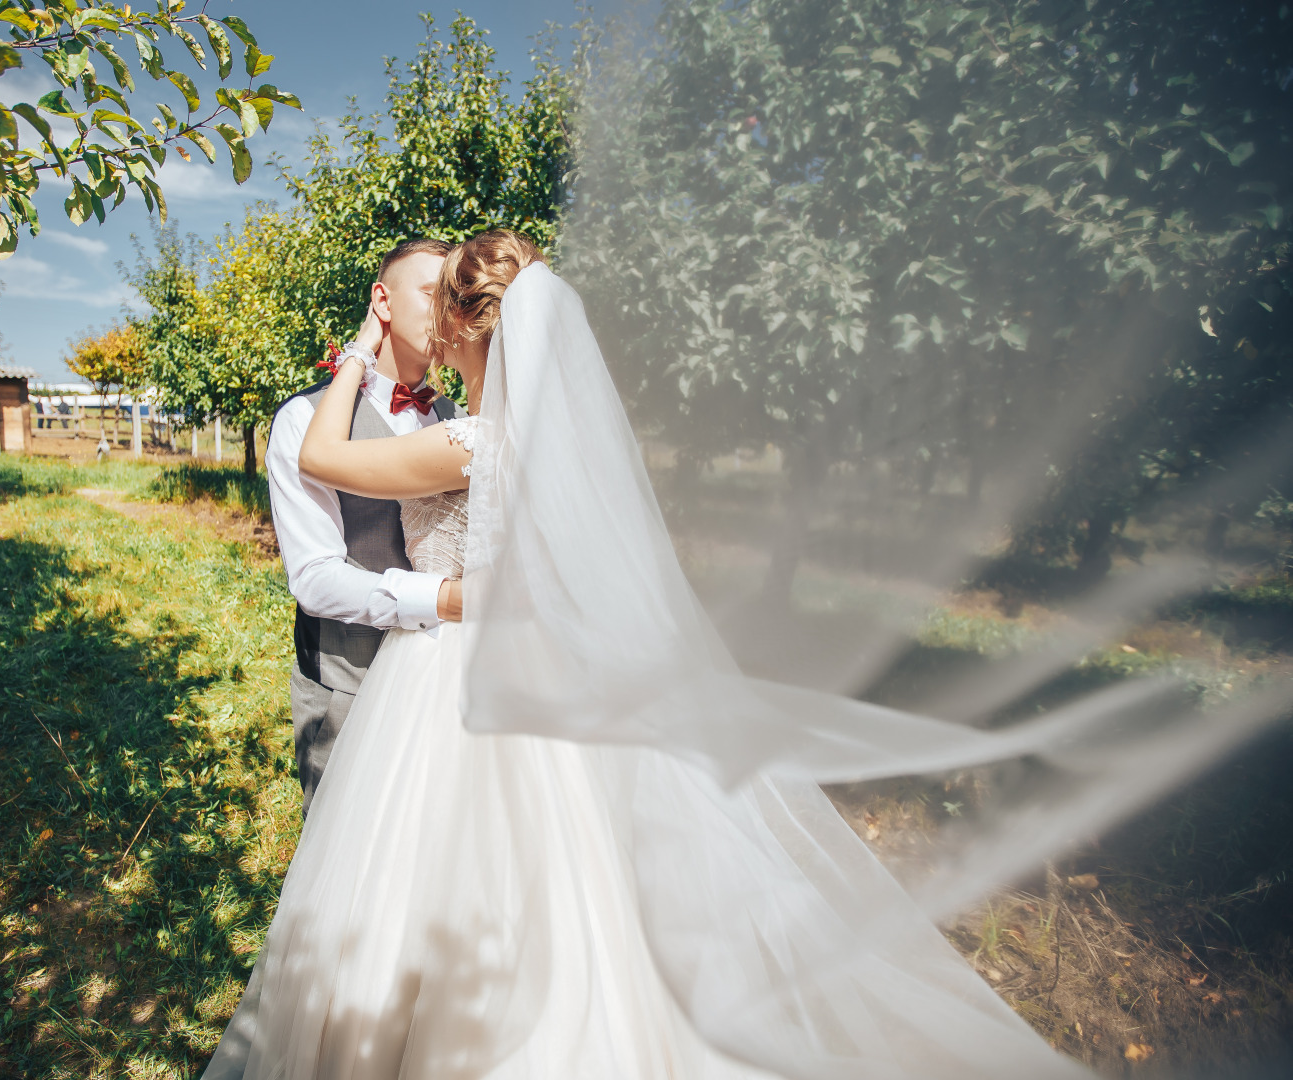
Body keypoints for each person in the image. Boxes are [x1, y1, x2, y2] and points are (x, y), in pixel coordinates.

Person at [203, 232, 1095, 1080]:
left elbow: (332, 456)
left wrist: (353, 351)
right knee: (552, 882)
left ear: (471, 325)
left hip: (444, 678)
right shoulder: (540, 441)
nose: (433, 319)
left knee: (428, 873)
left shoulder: (470, 439)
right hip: (512, 671)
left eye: (447, 301)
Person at [264, 237, 462, 817]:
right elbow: (315, 578)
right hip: (352, 685)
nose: (447, 309)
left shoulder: (461, 422)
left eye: (456, 295)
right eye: (431, 292)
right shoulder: (305, 418)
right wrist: (449, 600)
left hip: (444, 683)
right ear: (383, 300)